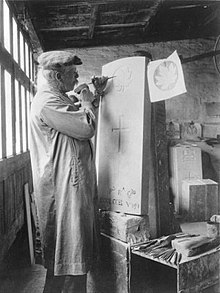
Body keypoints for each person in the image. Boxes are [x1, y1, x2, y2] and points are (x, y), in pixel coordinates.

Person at [29, 50, 103, 293]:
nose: (78, 75)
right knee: (72, 249)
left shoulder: (55, 97)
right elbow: (85, 126)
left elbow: (77, 112)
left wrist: (93, 96)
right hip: (64, 186)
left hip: (66, 183)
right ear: (59, 77)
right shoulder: (49, 102)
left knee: (67, 251)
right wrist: (85, 99)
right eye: (73, 73)